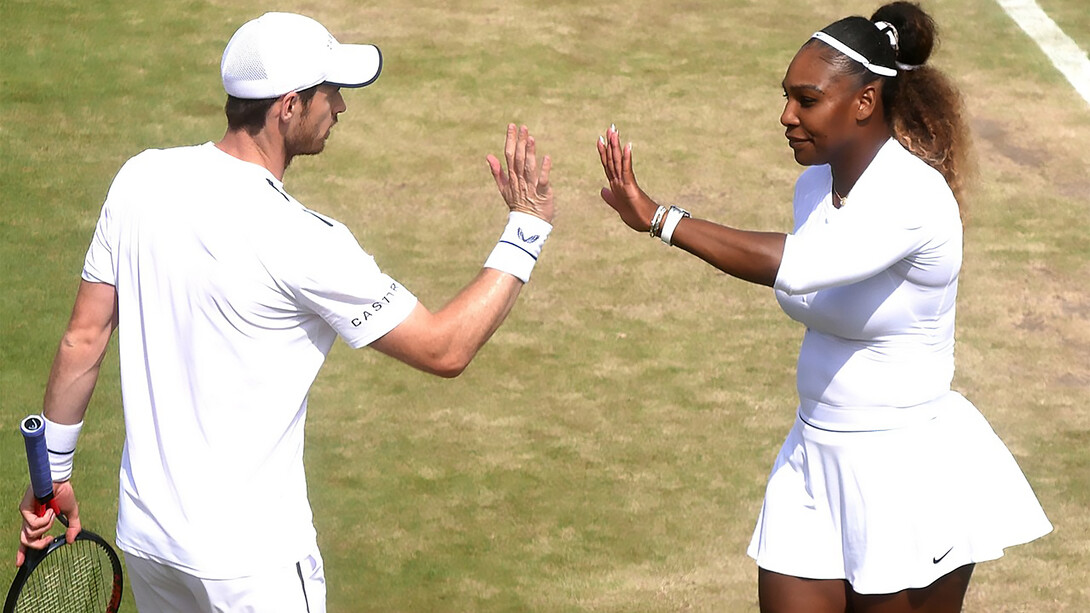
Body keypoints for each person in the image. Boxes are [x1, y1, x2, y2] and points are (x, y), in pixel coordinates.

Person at [17, 11, 554, 613]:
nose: (342, 110)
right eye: (332, 94)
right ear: (290, 106)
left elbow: (82, 339)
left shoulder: (140, 180)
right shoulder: (304, 240)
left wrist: (54, 476)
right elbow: (444, 347)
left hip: (150, 545)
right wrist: (526, 229)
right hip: (252, 568)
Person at [596, 2, 1051, 612]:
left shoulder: (912, 195)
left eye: (806, 100)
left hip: (905, 476)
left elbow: (801, 266)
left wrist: (660, 218)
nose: (786, 116)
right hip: (813, 459)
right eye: (787, 97)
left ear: (863, 102)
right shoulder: (814, 185)